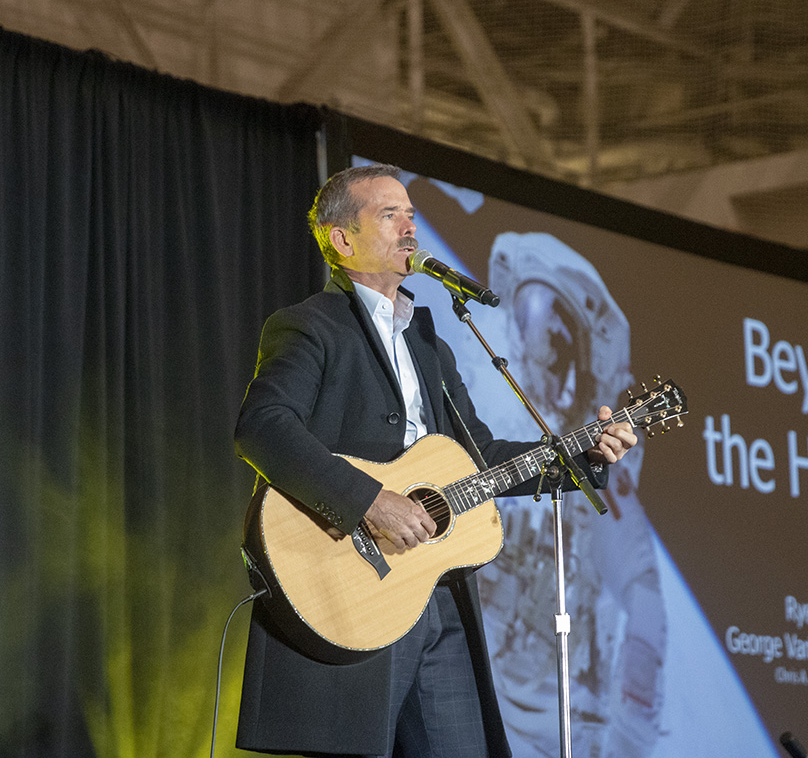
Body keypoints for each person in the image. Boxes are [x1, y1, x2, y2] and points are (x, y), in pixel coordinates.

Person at [233, 162, 637, 758]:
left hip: (437, 595)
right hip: (357, 590)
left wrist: (585, 455)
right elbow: (262, 428)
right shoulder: (310, 327)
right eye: (389, 214)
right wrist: (370, 502)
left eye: (412, 214)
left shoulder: (431, 343)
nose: (409, 226)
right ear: (342, 240)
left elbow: (481, 458)